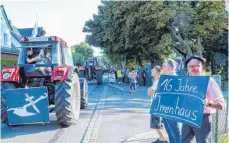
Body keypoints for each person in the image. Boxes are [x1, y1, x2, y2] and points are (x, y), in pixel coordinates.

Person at [182, 56, 225, 143]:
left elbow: (221, 106)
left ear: (202, 67)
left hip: (203, 119)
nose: (193, 68)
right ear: (187, 69)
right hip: (186, 117)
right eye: (190, 66)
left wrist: (208, 104)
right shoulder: (184, 82)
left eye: (196, 66)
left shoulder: (210, 81)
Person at [161, 59, 182, 143]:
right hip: (164, 109)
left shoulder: (176, 79)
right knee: (170, 133)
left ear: (169, 68)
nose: (162, 68)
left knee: (176, 134)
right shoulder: (164, 78)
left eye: (164, 66)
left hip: (172, 110)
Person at [148, 66, 168, 143]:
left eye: (153, 70)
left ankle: (162, 139)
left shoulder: (157, 81)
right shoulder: (157, 80)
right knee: (158, 122)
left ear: (157, 72)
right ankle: (161, 137)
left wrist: (149, 89)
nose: (151, 70)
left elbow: (150, 92)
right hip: (158, 104)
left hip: (156, 105)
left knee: (155, 123)